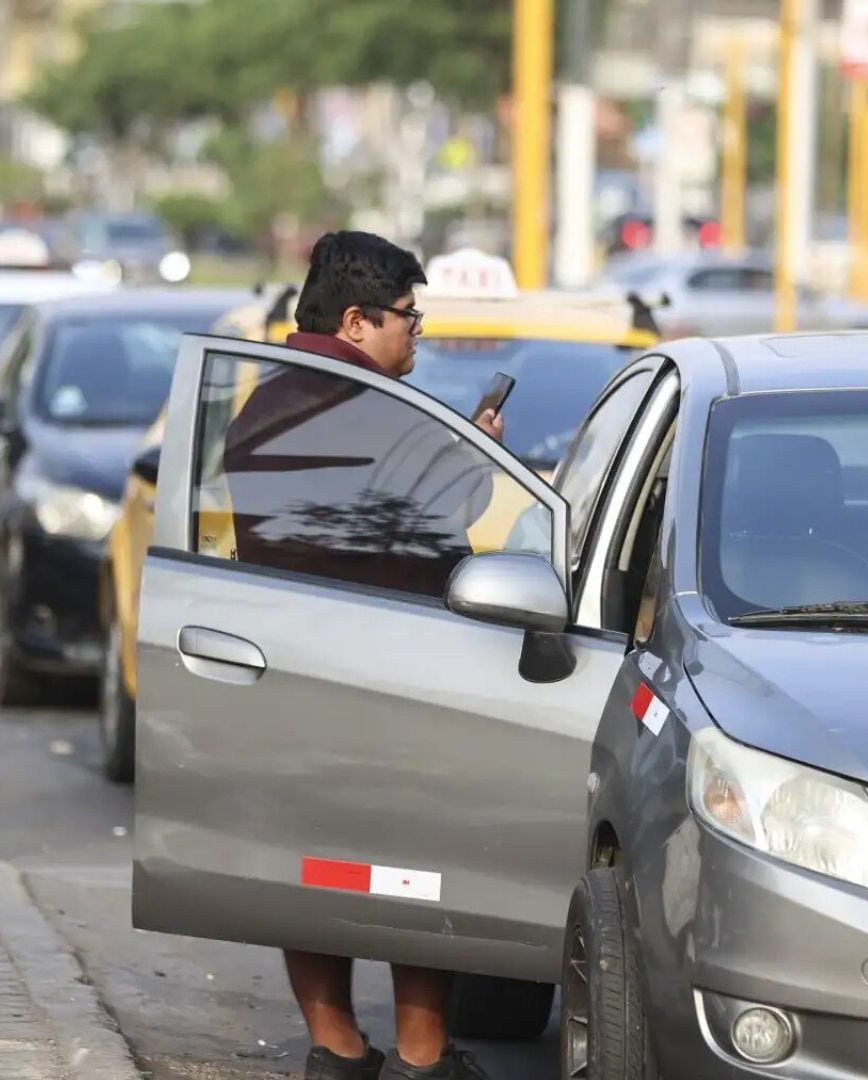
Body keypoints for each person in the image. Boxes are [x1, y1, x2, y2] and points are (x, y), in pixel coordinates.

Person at [246, 231, 500, 1080]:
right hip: (396, 680)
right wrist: (470, 455)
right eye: (406, 316)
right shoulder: (378, 413)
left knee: (317, 868)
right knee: (414, 870)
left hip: (294, 679)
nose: (415, 331)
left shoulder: (265, 403)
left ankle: (336, 1048)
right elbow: (431, 533)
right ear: (356, 322)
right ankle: (425, 1058)